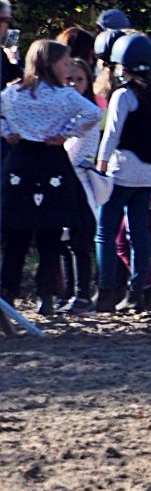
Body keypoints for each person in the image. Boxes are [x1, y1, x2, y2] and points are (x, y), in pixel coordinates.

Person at [0, 41, 101, 323]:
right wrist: (67, 132)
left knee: (15, 235)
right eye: (65, 62)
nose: (69, 68)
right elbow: (93, 113)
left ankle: (8, 294)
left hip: (20, 160)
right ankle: (46, 295)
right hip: (50, 159)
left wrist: (9, 131)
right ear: (51, 63)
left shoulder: (14, 92)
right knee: (50, 234)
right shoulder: (63, 96)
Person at [94, 31, 151, 312]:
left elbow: (111, 135)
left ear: (122, 66)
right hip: (148, 173)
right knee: (139, 235)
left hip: (122, 170)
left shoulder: (123, 95)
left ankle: (105, 291)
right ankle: (137, 291)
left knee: (104, 231)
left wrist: (100, 167)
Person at [57, 58, 101, 310]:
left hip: (80, 184)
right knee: (63, 241)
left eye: (79, 80)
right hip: (62, 182)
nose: (73, 85)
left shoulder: (89, 114)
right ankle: (67, 292)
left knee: (79, 241)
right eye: (69, 79)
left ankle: (82, 293)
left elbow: (74, 152)